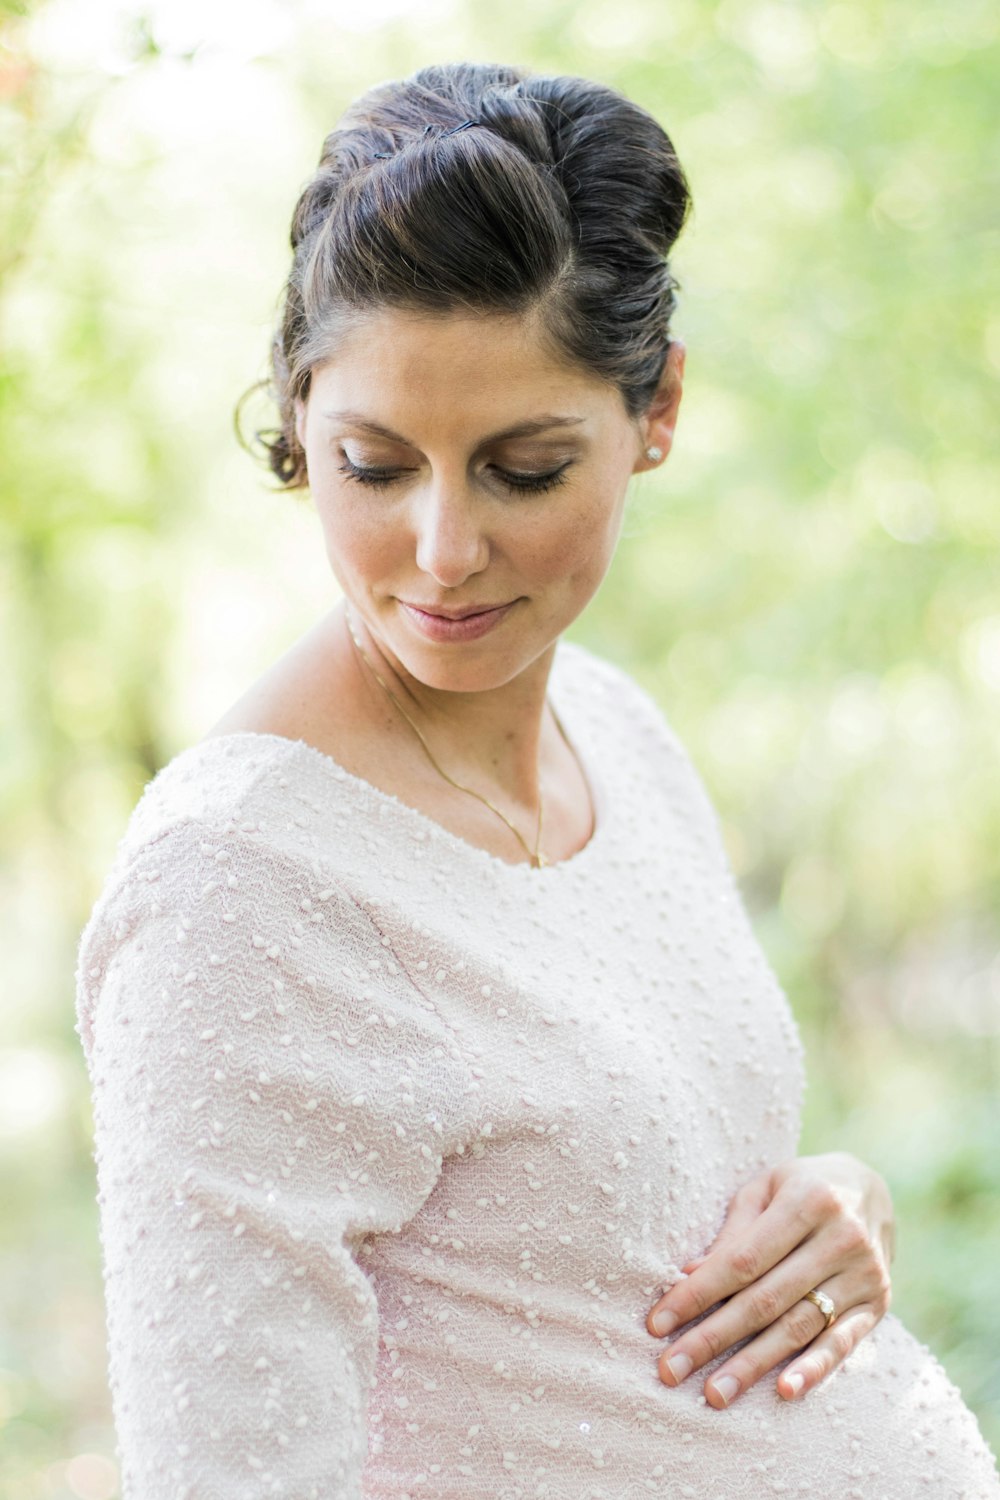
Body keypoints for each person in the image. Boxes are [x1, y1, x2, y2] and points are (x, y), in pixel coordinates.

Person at [74, 60, 999, 1500]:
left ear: (658, 411)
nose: (442, 549)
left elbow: (608, 1216)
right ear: (301, 418)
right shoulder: (239, 888)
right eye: (374, 464)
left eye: (522, 468)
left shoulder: (618, 732)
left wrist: (837, 1203)